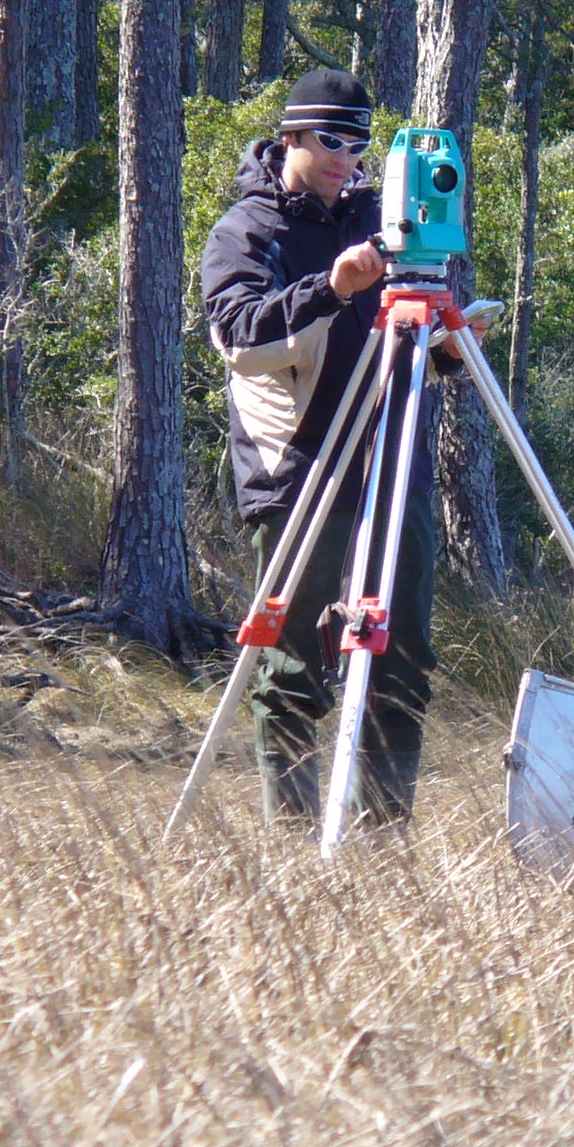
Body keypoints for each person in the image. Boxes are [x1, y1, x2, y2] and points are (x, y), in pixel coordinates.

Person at [198, 69, 482, 830]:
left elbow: (401, 353)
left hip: (391, 470)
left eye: (358, 142)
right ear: (290, 135)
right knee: (293, 670)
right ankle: (292, 841)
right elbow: (241, 336)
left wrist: (452, 345)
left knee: (400, 665)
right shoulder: (247, 231)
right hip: (301, 475)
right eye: (330, 139)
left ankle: (379, 843)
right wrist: (332, 285)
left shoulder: (385, 220)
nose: (344, 157)